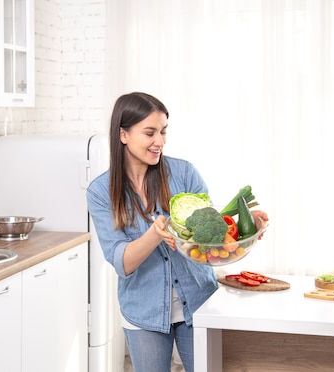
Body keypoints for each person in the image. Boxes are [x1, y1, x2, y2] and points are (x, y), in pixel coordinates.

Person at [87, 92, 268, 371]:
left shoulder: (184, 173)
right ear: (123, 135)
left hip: (198, 305)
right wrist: (154, 233)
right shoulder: (101, 192)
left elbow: (210, 240)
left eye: (163, 131)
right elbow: (122, 262)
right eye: (150, 133)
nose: (159, 141)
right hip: (143, 313)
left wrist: (244, 227)